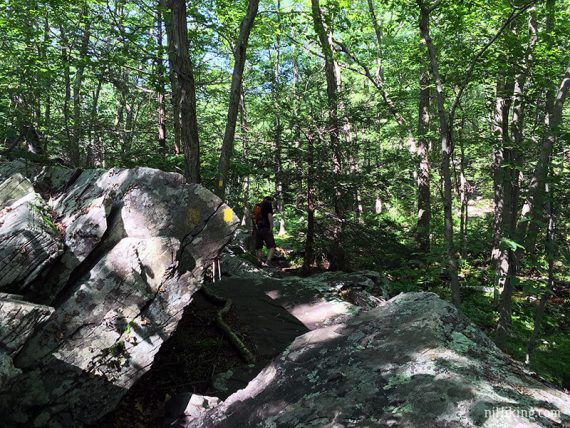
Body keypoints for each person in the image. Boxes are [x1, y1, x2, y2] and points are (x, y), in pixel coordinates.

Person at [253, 196, 276, 265]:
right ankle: (268, 262)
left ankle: (259, 261)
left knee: (258, 247)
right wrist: (271, 227)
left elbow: (254, 218)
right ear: (270, 201)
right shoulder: (268, 205)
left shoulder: (257, 206)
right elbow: (269, 216)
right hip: (266, 228)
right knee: (272, 246)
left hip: (258, 229)